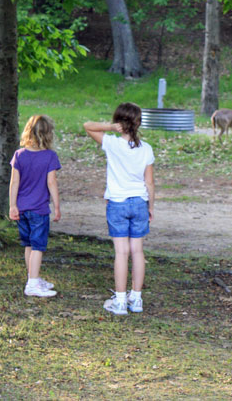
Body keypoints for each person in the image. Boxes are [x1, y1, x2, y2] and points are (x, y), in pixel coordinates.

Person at [84, 103, 154, 315]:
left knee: (121, 253)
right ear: (138, 123)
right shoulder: (147, 149)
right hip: (140, 202)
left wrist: (112, 128)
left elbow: (87, 126)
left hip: (117, 203)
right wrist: (150, 206)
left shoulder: (112, 144)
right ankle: (137, 298)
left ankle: (121, 301)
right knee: (138, 251)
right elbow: (149, 183)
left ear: (118, 122)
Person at [9, 114, 62, 298]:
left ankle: (33, 277)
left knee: (28, 244)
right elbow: (52, 183)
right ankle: (32, 284)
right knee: (38, 246)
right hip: (39, 210)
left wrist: (12, 205)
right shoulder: (50, 156)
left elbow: (14, 183)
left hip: (21, 209)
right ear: (48, 134)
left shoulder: (19, 155)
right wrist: (57, 206)